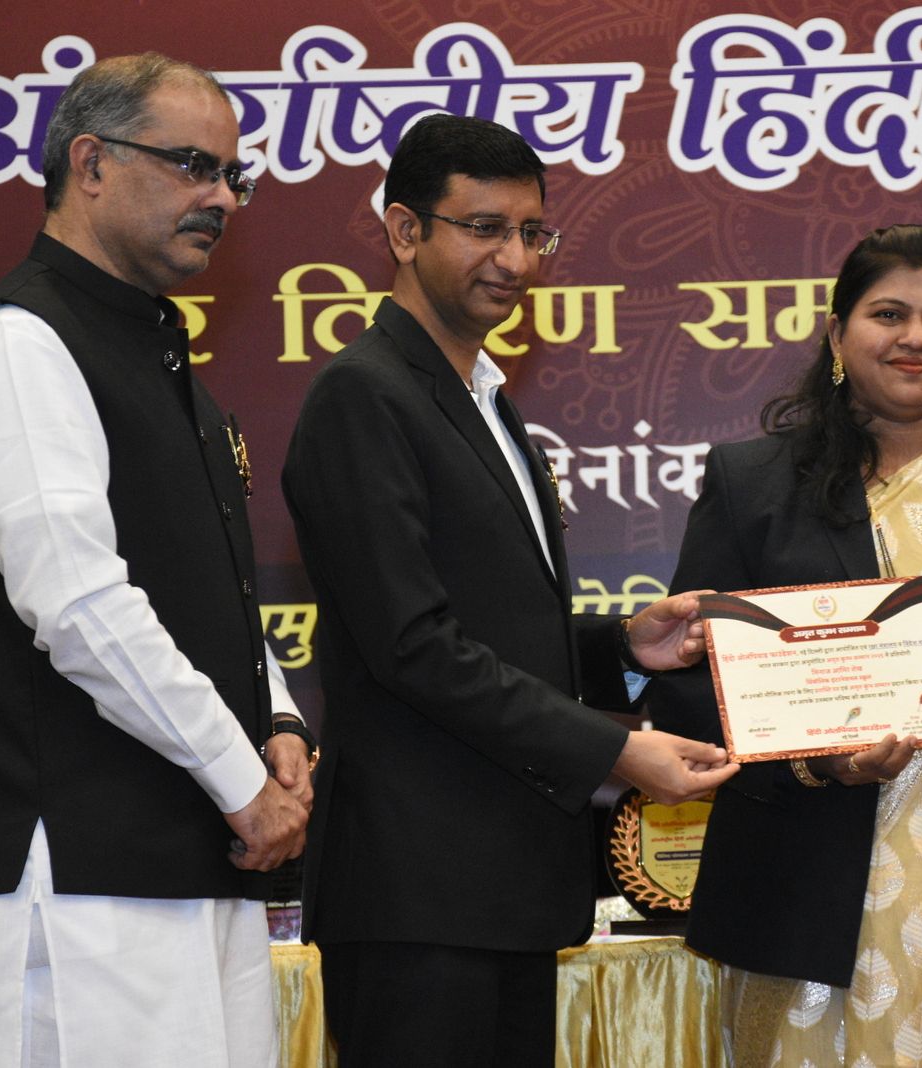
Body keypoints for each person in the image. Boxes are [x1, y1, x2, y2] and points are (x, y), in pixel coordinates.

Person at [280, 113, 737, 1067]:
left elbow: (492, 626)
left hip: (502, 886)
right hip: (415, 893)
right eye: (484, 228)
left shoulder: (487, 402)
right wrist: (619, 749)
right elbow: (412, 647)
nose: (517, 260)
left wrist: (623, 647)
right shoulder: (364, 395)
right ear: (405, 231)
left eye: (533, 233)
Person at [0, 53, 313, 1067]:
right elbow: (79, 606)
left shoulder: (156, 351)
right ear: (90, 164)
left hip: (200, 858)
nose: (221, 198)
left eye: (233, 175)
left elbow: (209, 588)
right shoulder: (21, 343)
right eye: (193, 165)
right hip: (81, 886)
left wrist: (274, 722)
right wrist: (242, 780)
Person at [646, 225, 922, 1066]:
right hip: (809, 885)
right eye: (889, 314)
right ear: (837, 333)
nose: (916, 337)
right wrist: (818, 760)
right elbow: (692, 681)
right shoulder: (753, 483)